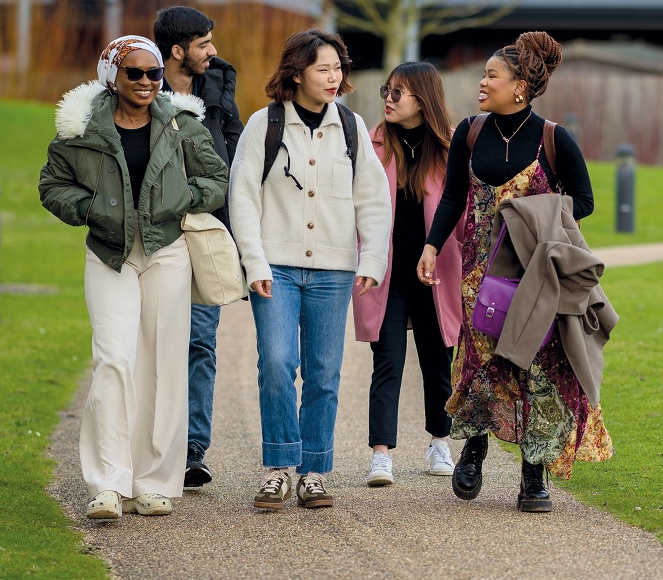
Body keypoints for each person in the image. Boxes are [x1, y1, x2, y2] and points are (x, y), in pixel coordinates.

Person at [418, 31, 613, 513]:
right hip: (478, 276)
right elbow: (452, 199)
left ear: (521, 86)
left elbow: (584, 202)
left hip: (538, 278)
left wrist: (534, 215)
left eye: (491, 75)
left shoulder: (553, 138)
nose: (481, 82)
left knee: (541, 370)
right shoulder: (469, 132)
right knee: (482, 365)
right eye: (483, 74)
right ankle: (474, 448)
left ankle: (534, 476)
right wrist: (430, 246)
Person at [38, 35, 228, 520]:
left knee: (164, 364)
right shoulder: (79, 126)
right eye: (135, 73)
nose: (146, 82)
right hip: (109, 253)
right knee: (113, 360)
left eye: (154, 74)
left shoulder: (183, 123)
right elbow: (51, 184)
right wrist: (89, 208)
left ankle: (154, 482)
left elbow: (216, 179)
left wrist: (182, 198)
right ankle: (108, 482)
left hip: (167, 251)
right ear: (113, 75)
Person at [229, 27, 391, 509]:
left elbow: (374, 199)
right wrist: (253, 260)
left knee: (324, 373)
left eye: (338, 68)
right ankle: (278, 466)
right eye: (323, 68)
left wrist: (372, 259)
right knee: (277, 364)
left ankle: (314, 471)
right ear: (296, 72)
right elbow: (242, 196)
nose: (333, 76)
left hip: (334, 272)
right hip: (274, 268)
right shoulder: (265, 124)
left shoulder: (353, 127)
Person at [351, 63, 464, 487]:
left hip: (438, 274)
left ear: (424, 99)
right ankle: (381, 455)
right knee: (388, 363)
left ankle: (440, 441)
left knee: (438, 363)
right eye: (387, 90)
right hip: (388, 274)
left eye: (399, 93)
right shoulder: (373, 145)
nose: (389, 99)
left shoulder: (452, 150)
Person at [153, 6, 244, 489]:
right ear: (176, 51)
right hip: (158, 234)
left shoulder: (219, 87)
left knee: (200, 343)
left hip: (209, 229)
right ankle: (151, 444)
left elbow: (234, 150)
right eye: (204, 43)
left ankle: (191, 452)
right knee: (154, 338)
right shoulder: (145, 89)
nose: (213, 51)